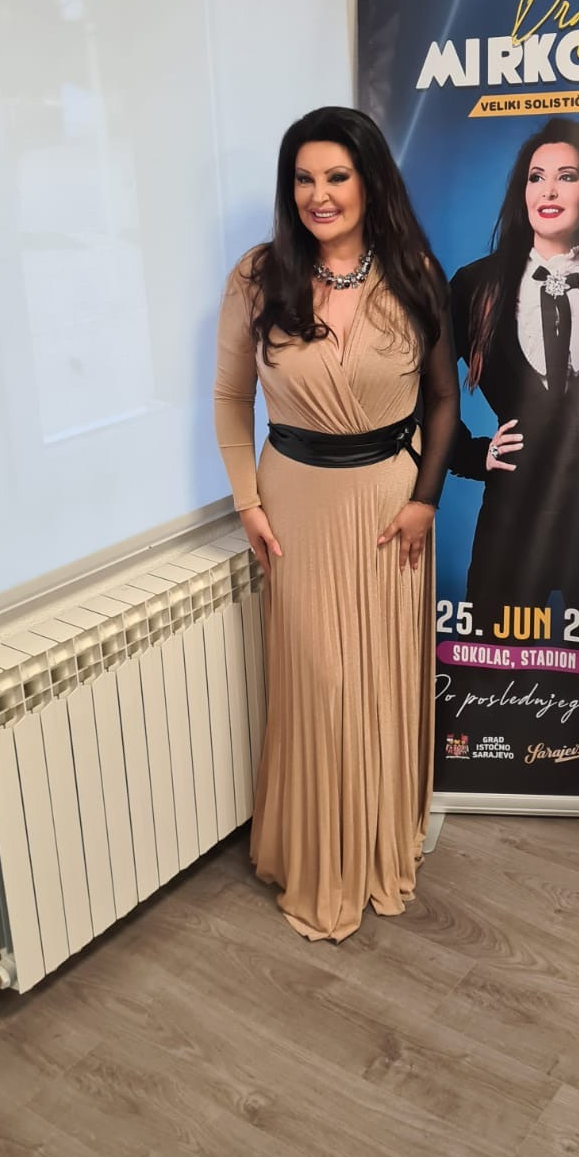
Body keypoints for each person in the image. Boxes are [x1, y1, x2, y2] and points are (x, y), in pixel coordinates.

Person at [213, 106, 458, 942]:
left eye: (337, 176)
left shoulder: (414, 270)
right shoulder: (258, 277)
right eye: (304, 178)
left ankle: (380, 839)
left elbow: (443, 398)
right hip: (296, 504)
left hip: (393, 506)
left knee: (380, 680)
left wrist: (426, 499)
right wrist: (247, 501)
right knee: (321, 686)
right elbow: (229, 398)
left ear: (370, 182)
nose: (319, 195)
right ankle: (320, 859)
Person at [450, 117, 579, 630]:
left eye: (567, 177)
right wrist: (469, 454)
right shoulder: (475, 286)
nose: (548, 191)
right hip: (511, 520)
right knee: (493, 662)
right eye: (536, 177)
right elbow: (425, 389)